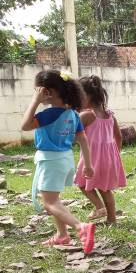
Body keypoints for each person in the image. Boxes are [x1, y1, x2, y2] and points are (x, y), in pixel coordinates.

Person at [20, 70, 96, 253]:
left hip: (51, 161)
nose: (37, 93)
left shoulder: (50, 114)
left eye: (38, 90)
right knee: (54, 199)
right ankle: (62, 235)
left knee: (50, 203)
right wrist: (88, 164)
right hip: (65, 159)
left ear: (48, 92)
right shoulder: (72, 114)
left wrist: (35, 101)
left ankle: (80, 227)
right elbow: (83, 139)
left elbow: (25, 125)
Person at [74, 75, 127, 224]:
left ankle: (99, 206)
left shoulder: (86, 115)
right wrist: (115, 155)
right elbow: (119, 137)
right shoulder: (110, 115)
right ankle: (111, 219)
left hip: (91, 159)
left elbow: (73, 137)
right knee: (105, 189)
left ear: (87, 96)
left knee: (82, 184)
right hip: (109, 159)